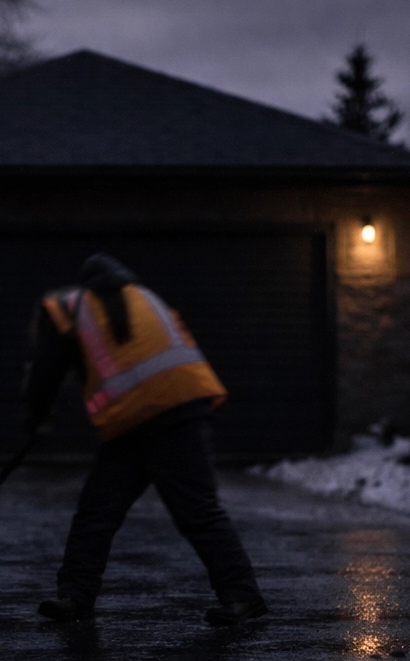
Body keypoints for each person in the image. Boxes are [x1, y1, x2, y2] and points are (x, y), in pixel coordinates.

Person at [22, 252, 268, 626]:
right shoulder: (147, 297)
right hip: (174, 414)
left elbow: (46, 371)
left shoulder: (70, 307)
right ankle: (240, 597)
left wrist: (36, 417)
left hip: (144, 419)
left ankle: (73, 597)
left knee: (97, 516)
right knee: (197, 512)